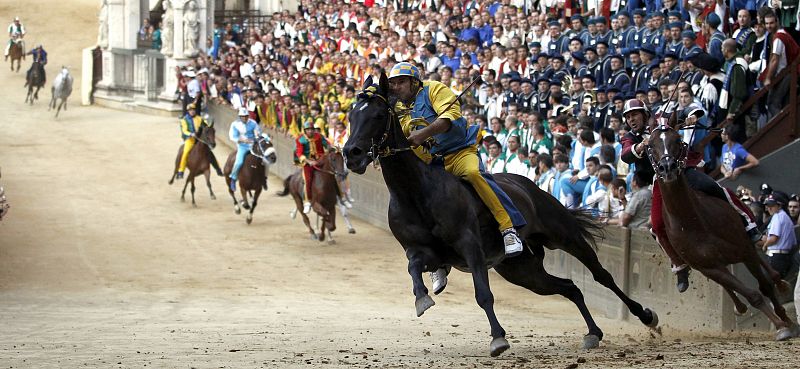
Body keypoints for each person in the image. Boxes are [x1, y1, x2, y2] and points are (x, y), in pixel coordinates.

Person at [387, 62, 526, 294]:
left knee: (473, 174)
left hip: (460, 152)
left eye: (401, 82)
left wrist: (421, 134)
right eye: (393, 83)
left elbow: (447, 119)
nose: (397, 87)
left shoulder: (434, 89)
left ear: (414, 82)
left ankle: (508, 228)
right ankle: (436, 263)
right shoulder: (399, 109)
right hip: (433, 162)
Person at [620, 99, 761, 293]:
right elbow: (626, 154)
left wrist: (693, 115)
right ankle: (679, 265)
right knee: (657, 225)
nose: (631, 119)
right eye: (628, 117)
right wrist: (641, 145)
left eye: (634, 114)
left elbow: (690, 108)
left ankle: (749, 225)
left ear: (644, 114)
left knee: (715, 188)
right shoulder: (629, 137)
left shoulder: (662, 119)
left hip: (683, 169)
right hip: (661, 180)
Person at [757, 194, 798, 278]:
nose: (769, 208)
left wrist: (765, 246)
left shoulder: (777, 216)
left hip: (776, 257)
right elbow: (794, 243)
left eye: (772, 205)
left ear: (779, 206)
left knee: (769, 285)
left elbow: (773, 238)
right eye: (768, 205)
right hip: (784, 257)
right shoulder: (785, 216)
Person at [294, 120, 330, 214]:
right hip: (308, 162)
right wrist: (308, 161)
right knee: (308, 180)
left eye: (311, 129)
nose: (310, 131)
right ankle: (307, 201)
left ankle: (341, 196)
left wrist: (331, 148)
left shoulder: (319, 136)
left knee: (331, 173)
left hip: (320, 160)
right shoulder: (300, 139)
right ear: (305, 130)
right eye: (308, 129)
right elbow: (299, 153)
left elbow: (326, 145)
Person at [229, 107, 263, 191]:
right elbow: (233, 136)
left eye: (246, 116)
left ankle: (263, 179)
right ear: (239, 117)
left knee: (264, 160)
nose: (244, 118)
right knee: (239, 162)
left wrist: (257, 136)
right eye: (242, 116)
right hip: (242, 146)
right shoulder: (235, 124)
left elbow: (258, 132)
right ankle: (233, 178)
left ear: (248, 116)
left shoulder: (253, 123)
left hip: (253, 145)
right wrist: (242, 140)